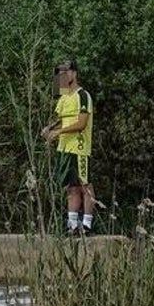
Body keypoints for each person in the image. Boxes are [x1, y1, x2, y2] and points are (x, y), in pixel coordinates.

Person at [41, 60, 94, 235]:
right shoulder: (63, 97)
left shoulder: (83, 95)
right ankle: (71, 225)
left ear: (74, 73)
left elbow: (81, 122)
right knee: (70, 187)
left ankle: (87, 224)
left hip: (79, 147)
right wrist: (50, 130)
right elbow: (61, 119)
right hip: (64, 148)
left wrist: (59, 132)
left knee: (84, 185)